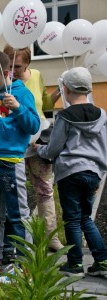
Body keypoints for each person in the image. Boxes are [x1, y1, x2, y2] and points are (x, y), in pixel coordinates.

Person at [34, 67, 107, 277]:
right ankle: (102, 260)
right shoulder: (102, 114)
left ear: (65, 90)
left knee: (73, 219)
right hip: (93, 173)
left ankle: (75, 264)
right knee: (86, 218)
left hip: (70, 173)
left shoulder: (65, 116)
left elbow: (55, 147)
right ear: (90, 89)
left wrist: (41, 150)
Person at [0, 50, 40, 281]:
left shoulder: (22, 94)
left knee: (17, 214)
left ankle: (25, 265)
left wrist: (18, 108)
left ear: (6, 73)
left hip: (9, 162)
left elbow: (33, 125)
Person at [4, 45, 64, 252]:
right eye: (9, 65)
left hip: (38, 142)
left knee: (45, 190)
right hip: (14, 144)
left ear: (28, 64)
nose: (13, 71)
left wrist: (58, 92)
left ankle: (51, 237)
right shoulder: (5, 82)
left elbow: (45, 105)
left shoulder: (37, 75)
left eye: (18, 66)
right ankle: (20, 239)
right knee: (14, 192)